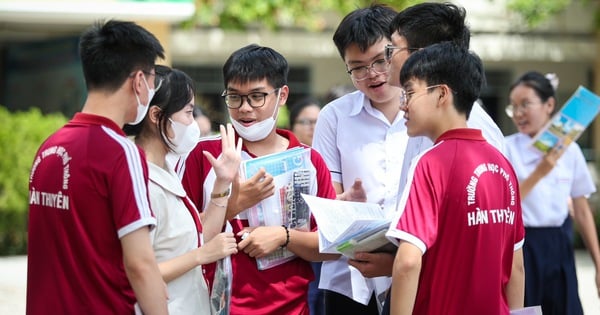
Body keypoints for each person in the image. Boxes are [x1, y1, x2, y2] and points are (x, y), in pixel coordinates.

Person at [312, 4, 507, 314]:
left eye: (389, 51)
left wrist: (397, 261)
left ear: (424, 55)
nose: (378, 70)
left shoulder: (467, 132)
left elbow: (494, 245)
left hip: (434, 286)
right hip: (361, 280)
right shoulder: (417, 122)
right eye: (358, 67)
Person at [181, 44, 338, 315]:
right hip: (216, 306)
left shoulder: (310, 162)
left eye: (257, 97)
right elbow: (182, 241)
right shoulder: (203, 155)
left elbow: (332, 245)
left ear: (282, 95)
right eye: (235, 97)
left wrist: (283, 237)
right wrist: (233, 206)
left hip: (293, 307)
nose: (245, 109)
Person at [26, 20, 168, 314]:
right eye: (153, 79)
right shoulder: (122, 153)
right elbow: (140, 264)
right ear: (138, 81)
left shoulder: (49, 148)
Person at [386, 41, 525, 315]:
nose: (403, 106)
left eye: (409, 93)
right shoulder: (503, 165)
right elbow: (516, 265)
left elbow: (408, 262)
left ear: (441, 94)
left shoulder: (431, 163)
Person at [123, 65, 241, 314]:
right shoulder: (140, 182)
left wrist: (222, 182)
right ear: (156, 116)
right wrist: (201, 255)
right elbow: (136, 272)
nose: (194, 123)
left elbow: (199, 237)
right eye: (188, 112)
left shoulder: (166, 168)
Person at [505, 71, 600, 314]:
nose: (518, 113)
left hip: (559, 245)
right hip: (522, 247)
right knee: (527, 308)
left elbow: (581, 209)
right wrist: (540, 172)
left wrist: (599, 264)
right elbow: (506, 205)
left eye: (525, 104)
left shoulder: (571, 151)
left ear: (549, 105)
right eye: (513, 106)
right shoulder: (506, 148)